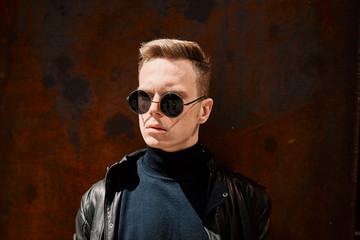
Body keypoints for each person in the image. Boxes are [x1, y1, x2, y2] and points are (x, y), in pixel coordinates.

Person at [74, 38, 271, 240]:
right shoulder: (98, 200)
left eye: (172, 101)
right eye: (144, 98)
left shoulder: (247, 201)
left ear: (204, 110)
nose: (153, 110)